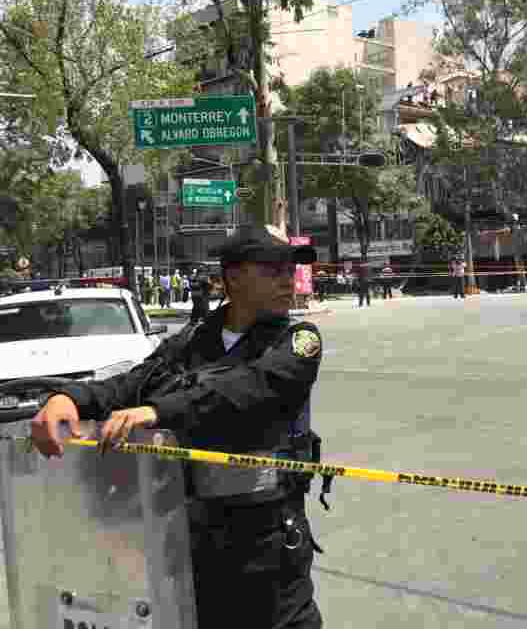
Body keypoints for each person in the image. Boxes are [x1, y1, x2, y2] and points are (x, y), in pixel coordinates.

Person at [29, 225, 325, 628]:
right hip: (190, 540)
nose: (287, 279)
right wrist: (69, 398)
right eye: (274, 269)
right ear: (234, 276)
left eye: (291, 270)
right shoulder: (191, 341)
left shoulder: (297, 341)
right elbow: (132, 383)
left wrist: (157, 412)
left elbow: (246, 391)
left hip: (267, 546)